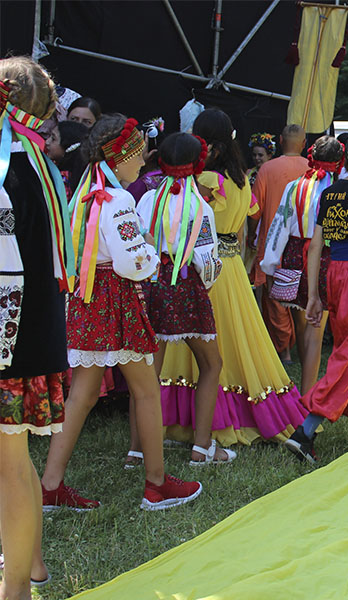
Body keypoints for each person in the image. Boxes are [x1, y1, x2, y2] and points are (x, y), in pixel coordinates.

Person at [41, 114, 202, 512]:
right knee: (146, 391)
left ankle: (50, 485)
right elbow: (132, 263)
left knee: (82, 395)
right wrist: (151, 253)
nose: (143, 162)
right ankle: (156, 484)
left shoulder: (86, 192)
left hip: (88, 298)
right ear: (121, 157)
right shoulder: (118, 200)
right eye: (138, 154)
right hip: (116, 299)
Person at [158, 108, 304, 446]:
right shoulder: (239, 181)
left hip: (204, 268)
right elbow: (246, 223)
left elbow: (184, 221)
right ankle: (237, 411)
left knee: (199, 342)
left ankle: (191, 421)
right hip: (232, 269)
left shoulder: (208, 181)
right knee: (236, 339)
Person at [0, 56, 71, 597]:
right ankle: (31, 567)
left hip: (10, 343)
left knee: (9, 467)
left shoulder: (9, 172)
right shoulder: (39, 169)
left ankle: (17, 588)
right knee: (13, 460)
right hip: (31, 334)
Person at [284, 132, 348, 464]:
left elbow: (315, 246)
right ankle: (305, 432)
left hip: (334, 275)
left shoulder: (330, 192)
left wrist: (314, 295)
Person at [136, 133, 234, 465]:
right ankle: (201, 447)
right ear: (197, 164)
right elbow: (206, 258)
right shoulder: (199, 206)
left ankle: (137, 450)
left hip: (150, 283)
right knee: (211, 364)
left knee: (147, 372)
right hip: (185, 285)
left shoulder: (147, 199)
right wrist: (208, 283)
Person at [261, 135, 343, 395]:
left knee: (302, 323)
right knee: (316, 330)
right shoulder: (341, 189)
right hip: (328, 258)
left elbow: (279, 226)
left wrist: (269, 264)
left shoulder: (295, 187)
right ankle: (308, 391)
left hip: (296, 256)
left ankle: (305, 390)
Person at [249, 125, 308, 361]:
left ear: (281, 141)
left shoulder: (267, 168)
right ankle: (304, 347)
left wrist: (252, 236)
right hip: (304, 243)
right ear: (304, 144)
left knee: (275, 298)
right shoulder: (313, 170)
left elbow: (255, 209)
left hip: (273, 242)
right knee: (302, 294)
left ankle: (284, 350)